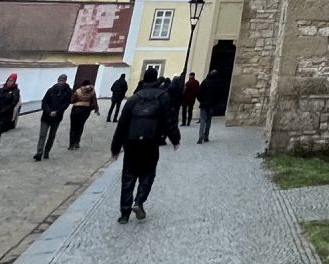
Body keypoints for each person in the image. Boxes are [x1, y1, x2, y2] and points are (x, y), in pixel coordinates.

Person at [111, 64, 180, 222]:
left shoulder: (134, 98)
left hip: (132, 142)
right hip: (151, 141)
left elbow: (122, 124)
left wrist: (115, 148)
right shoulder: (163, 96)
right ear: (156, 79)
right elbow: (170, 120)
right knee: (148, 173)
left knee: (128, 176)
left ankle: (124, 213)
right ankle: (139, 201)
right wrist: (175, 139)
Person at [34, 74, 73, 160]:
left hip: (57, 117)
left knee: (52, 135)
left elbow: (65, 104)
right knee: (42, 135)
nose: (60, 82)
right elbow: (44, 102)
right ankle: (39, 153)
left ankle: (47, 151)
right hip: (46, 116)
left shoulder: (68, 92)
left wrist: (57, 112)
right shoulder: (51, 90)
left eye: (62, 80)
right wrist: (49, 111)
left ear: (65, 81)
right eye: (60, 80)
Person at [66, 81, 99, 149]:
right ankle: (77, 142)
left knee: (73, 127)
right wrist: (96, 109)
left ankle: (71, 144)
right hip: (86, 110)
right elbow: (94, 101)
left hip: (76, 110)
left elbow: (72, 100)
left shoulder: (78, 91)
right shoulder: (92, 91)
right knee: (80, 126)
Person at [195, 69, 221, 144]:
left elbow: (198, 92)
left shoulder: (205, 81)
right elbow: (218, 95)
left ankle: (200, 137)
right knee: (208, 121)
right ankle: (206, 136)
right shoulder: (217, 83)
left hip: (204, 104)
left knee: (202, 120)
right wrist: (216, 103)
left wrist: (201, 100)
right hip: (211, 105)